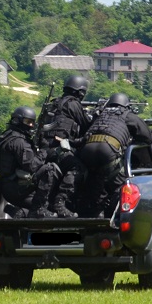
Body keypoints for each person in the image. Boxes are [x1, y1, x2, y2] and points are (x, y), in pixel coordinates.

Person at [0, 106, 74, 219]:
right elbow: (32, 166)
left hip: (8, 186)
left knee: (50, 208)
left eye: (32, 122)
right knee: (50, 168)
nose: (31, 125)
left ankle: (21, 212)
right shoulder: (19, 142)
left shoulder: (7, 136)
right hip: (17, 188)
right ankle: (38, 209)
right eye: (28, 122)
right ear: (17, 120)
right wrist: (44, 150)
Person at [78, 92, 152, 217]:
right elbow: (148, 137)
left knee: (94, 179)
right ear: (126, 105)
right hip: (107, 152)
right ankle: (112, 214)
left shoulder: (99, 114)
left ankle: (91, 211)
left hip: (86, 151)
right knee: (121, 184)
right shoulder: (127, 115)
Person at [37, 74, 92, 215]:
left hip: (44, 149)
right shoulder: (72, 104)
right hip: (58, 149)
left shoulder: (53, 104)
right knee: (78, 168)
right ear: (80, 92)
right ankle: (60, 203)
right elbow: (86, 125)